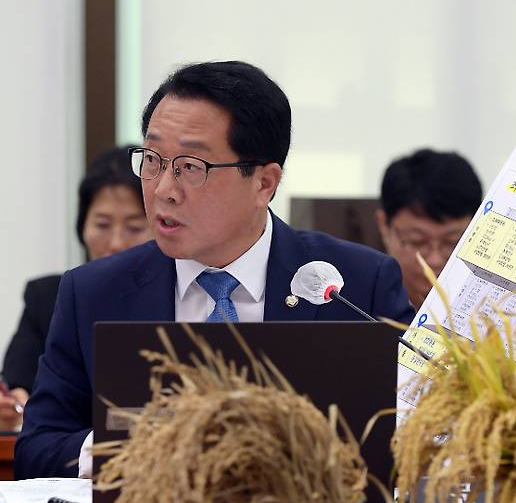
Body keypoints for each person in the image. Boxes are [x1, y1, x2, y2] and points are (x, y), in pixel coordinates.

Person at [15, 61, 414, 480]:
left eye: (191, 167)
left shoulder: (356, 284)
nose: (163, 189)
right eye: (152, 159)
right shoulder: (92, 291)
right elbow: (37, 450)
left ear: (264, 183)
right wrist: (126, 446)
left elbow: (417, 430)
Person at [0, 146, 149, 428]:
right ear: (82, 226)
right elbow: (18, 383)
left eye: (134, 227)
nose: (116, 242)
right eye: (102, 224)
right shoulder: (48, 297)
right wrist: (14, 404)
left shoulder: (177, 293)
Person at [375, 149, 483, 309]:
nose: (434, 260)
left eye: (453, 242)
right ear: (384, 226)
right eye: (417, 242)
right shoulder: (351, 306)